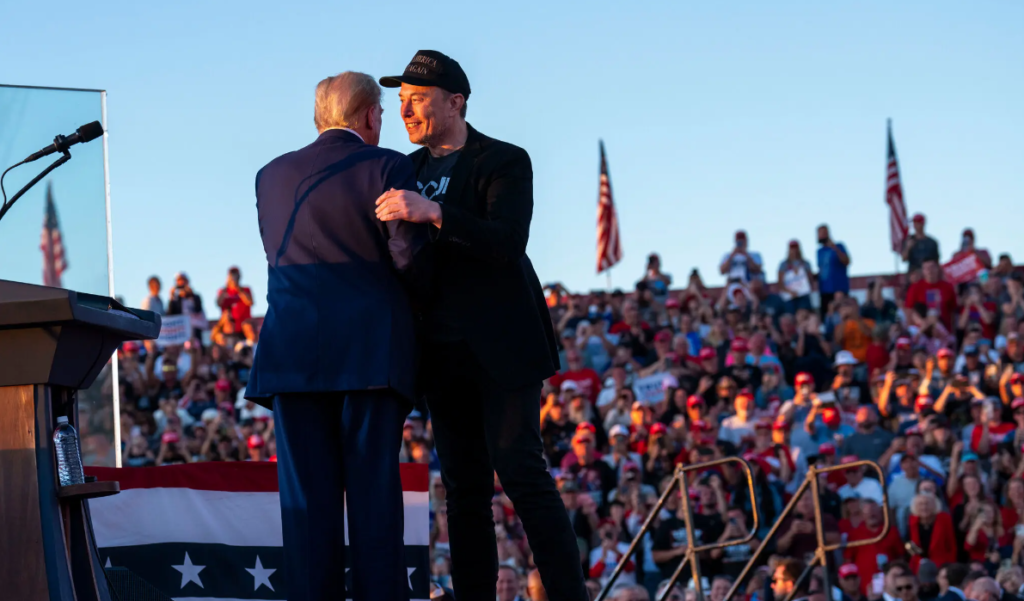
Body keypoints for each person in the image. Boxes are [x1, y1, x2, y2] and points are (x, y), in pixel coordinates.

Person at [375, 50, 588, 600]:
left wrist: (436, 214)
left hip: (502, 346)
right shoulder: (406, 170)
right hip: (441, 355)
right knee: (464, 493)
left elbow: (506, 241)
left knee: (521, 474)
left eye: (418, 99)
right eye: (401, 102)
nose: (407, 111)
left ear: (455, 101)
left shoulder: (504, 159)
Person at [247, 71, 431, 601]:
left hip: (291, 358)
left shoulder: (270, 175)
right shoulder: (388, 166)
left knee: (306, 511)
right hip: (369, 360)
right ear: (371, 116)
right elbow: (407, 256)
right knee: (373, 503)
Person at [817, 224, 851, 317]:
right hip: (824, 290)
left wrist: (834, 247)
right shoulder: (819, 251)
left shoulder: (839, 246)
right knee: (827, 315)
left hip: (838, 288)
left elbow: (847, 261)